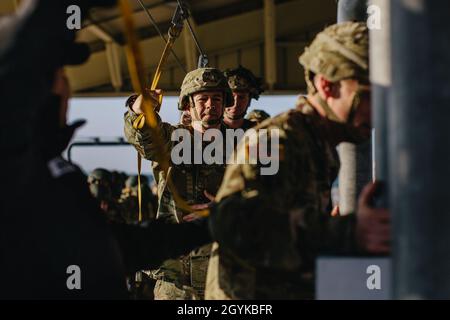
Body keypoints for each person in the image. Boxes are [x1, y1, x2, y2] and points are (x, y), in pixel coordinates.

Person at [0, 0, 212, 299]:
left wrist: (207, 227)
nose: (67, 85)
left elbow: (115, 245)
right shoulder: (14, 174)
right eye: (58, 74)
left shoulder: (51, 172)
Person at [206, 21, 391, 300]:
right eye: (367, 96)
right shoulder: (277, 140)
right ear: (327, 86)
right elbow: (235, 224)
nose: (377, 110)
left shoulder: (318, 147)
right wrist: (348, 233)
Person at [124, 67, 233, 299]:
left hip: (224, 274)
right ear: (187, 105)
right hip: (176, 279)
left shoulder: (241, 147)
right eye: (202, 99)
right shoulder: (171, 141)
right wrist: (138, 109)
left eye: (216, 99)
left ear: (225, 104)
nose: (210, 104)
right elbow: (144, 137)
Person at [222, 66, 264, 130]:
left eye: (241, 97)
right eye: (231, 97)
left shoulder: (258, 132)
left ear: (249, 101)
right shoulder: (205, 130)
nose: (235, 103)